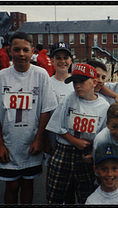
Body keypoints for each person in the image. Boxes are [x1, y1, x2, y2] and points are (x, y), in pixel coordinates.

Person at [0, 31, 57, 204]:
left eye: (25, 50)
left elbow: (45, 110)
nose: (21, 54)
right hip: (9, 142)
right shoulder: (0, 77)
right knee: (11, 186)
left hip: (31, 142)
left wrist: (39, 139)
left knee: (28, 184)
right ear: (9, 50)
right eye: (16, 49)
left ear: (32, 51)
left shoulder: (41, 75)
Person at [45, 63, 110, 204]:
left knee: (85, 196)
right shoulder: (70, 98)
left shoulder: (104, 106)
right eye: (74, 82)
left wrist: (93, 152)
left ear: (93, 82)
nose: (77, 86)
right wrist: (74, 141)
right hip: (64, 151)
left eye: (81, 81)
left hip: (86, 155)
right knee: (55, 194)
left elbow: (102, 135)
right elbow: (57, 125)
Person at [45, 42, 75, 203]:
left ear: (71, 60)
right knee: (53, 183)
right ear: (52, 60)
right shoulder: (47, 83)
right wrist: (45, 141)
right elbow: (43, 115)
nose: (62, 61)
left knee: (71, 186)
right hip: (53, 143)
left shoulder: (76, 84)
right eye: (58, 58)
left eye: (65, 57)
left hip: (72, 142)